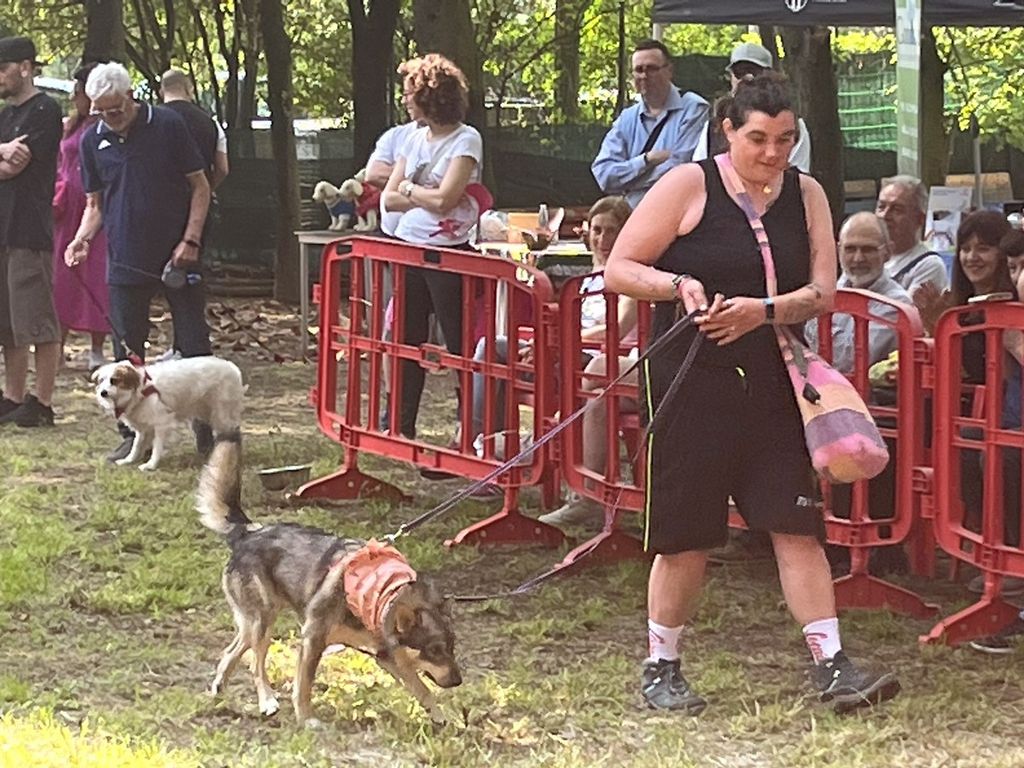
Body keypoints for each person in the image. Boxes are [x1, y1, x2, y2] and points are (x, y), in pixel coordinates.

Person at [603, 72, 900, 714]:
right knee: (686, 534)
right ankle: (662, 666)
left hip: (775, 380)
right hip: (691, 379)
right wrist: (678, 285)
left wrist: (761, 312)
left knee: (795, 523)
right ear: (728, 131)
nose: (772, 153)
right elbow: (620, 268)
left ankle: (834, 665)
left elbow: (822, 291)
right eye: (759, 139)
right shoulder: (688, 184)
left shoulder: (808, 193)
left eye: (785, 139)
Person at [65, 62, 212, 461]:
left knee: (194, 344)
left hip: (178, 255)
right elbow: (95, 204)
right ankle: (132, 436)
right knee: (127, 349)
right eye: (100, 111)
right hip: (125, 257)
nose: (108, 118)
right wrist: (81, 238)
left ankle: (208, 432)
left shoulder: (168, 125)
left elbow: (200, 186)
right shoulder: (93, 140)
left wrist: (191, 239)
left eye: (115, 110)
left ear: (131, 96)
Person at [919, 211, 1024, 596]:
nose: (972, 257)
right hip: (996, 411)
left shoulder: (1012, 309)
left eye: (984, 248)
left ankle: (1012, 555)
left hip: (1005, 415)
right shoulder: (965, 307)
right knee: (962, 442)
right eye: (965, 248)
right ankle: (986, 544)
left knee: (1002, 453)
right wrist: (939, 329)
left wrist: (1013, 345)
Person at [381, 54, 484, 442]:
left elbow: (446, 200)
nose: (405, 100)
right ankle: (400, 425)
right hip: (408, 249)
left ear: (429, 96)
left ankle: (469, 428)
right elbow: (389, 198)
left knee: (459, 343)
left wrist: (411, 190)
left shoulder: (466, 139)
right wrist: (420, 192)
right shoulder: (411, 138)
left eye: (409, 93)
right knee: (405, 339)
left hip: (450, 253)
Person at [0, 36, 63, 428]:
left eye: (3, 68)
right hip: (2, 229)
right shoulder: (5, 116)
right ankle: (12, 396)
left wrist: (7, 157)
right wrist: (3, 149)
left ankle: (42, 401)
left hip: (28, 228)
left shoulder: (45, 110)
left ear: (25, 67)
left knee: (36, 318)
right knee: (7, 320)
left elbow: (14, 169)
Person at [591, 39, 708, 209]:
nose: (644, 76)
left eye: (652, 69)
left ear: (669, 71)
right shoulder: (627, 118)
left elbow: (681, 170)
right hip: (629, 216)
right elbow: (603, 175)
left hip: (673, 213)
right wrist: (646, 160)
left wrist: (627, 182)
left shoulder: (694, 109)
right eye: (639, 70)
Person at [51, 61, 110, 373]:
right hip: (67, 206)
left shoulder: (106, 125)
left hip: (96, 206)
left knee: (97, 273)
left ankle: (97, 347)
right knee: (62, 274)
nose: (74, 97)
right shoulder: (71, 126)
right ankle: (56, 346)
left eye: (79, 91)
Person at [806, 212, 912, 374]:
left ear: (888, 252)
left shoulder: (897, 304)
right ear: (838, 250)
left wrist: (818, 319)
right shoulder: (826, 290)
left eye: (868, 249)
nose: (858, 258)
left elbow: (849, 361)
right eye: (850, 249)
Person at [692, 42, 811, 173]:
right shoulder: (712, 128)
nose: (747, 78)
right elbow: (700, 171)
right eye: (739, 72)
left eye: (755, 71)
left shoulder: (794, 126)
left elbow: (798, 175)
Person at [875, 176, 949, 295]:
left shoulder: (929, 265)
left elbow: (901, 307)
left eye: (897, 209)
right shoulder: (864, 255)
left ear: (920, 219)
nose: (885, 215)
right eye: (881, 207)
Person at [159, 68, 229, 190]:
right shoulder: (211, 122)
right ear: (189, 89)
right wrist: (207, 190)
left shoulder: (151, 121)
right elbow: (222, 169)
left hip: (159, 196)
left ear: (161, 91)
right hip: (198, 196)